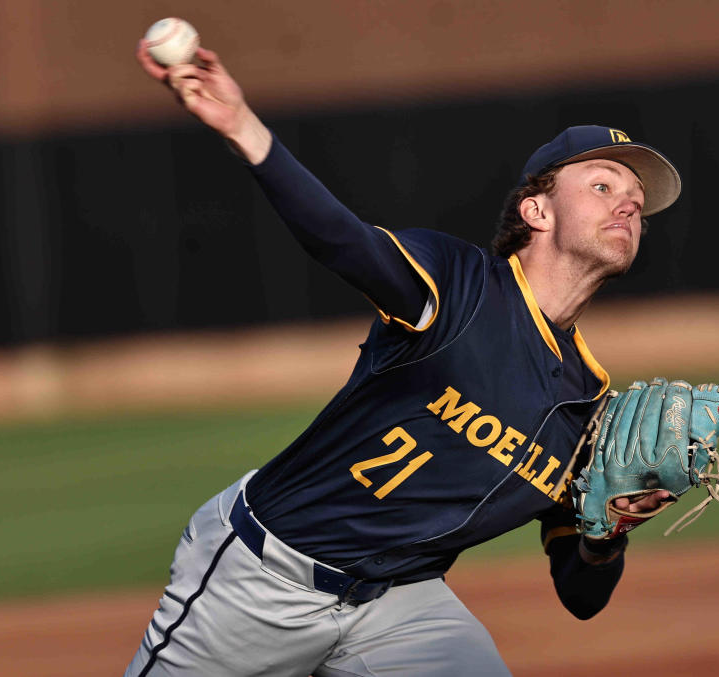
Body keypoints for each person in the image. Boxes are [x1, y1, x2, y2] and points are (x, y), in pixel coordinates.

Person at [126, 41, 682, 677]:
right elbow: (341, 241)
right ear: (537, 210)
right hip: (264, 578)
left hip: (399, 604)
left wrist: (607, 531)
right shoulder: (458, 289)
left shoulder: (588, 406)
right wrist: (240, 126)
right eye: (603, 184)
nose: (629, 205)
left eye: (637, 200)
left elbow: (581, 596)